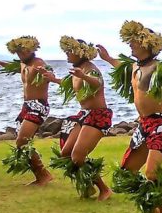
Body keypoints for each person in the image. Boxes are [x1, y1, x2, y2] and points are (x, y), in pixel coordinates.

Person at [97, 21, 162, 213]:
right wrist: (108, 58)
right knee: (127, 171)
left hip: (160, 123)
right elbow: (122, 67)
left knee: (152, 172)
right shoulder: (135, 66)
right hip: (143, 124)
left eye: (134, 42)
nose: (130, 45)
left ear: (146, 45)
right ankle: (151, 206)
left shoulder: (158, 67)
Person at [37, 36, 112, 200]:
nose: (67, 55)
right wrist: (52, 79)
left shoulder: (90, 69)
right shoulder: (78, 70)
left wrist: (84, 77)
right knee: (66, 153)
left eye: (69, 52)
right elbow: (71, 84)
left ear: (79, 53)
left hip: (98, 116)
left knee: (78, 156)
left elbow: (97, 82)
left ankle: (104, 189)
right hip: (83, 115)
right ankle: (87, 186)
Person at [0, 36, 53, 186]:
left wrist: (49, 76)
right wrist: (0, 63)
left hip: (39, 106)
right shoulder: (23, 64)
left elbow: (49, 73)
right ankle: (42, 175)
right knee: (22, 143)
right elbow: (18, 68)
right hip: (26, 106)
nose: (20, 55)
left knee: (22, 140)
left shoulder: (39, 63)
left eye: (23, 52)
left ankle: (43, 175)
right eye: (18, 53)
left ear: (31, 50)